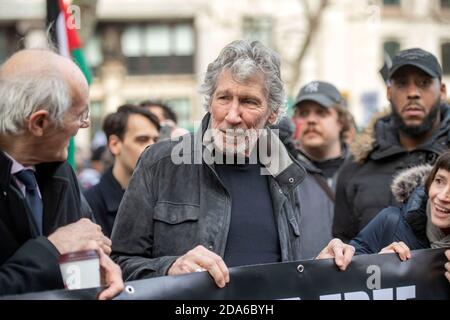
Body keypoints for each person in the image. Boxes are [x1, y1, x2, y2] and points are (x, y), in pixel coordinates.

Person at [111, 40, 307, 288]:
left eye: (249, 102)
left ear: (272, 113)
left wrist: (325, 268)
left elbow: (291, 268)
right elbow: (117, 265)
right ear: (209, 101)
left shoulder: (284, 172)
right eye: (224, 98)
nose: (232, 116)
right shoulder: (160, 163)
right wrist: (170, 268)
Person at [0, 49, 123, 298]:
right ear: (39, 123)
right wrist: (52, 249)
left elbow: (79, 272)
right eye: (80, 115)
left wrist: (98, 270)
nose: (85, 124)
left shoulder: (60, 172)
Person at [333, 48, 450, 242]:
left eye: (424, 82)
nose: (413, 93)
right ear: (389, 92)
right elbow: (344, 250)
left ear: (442, 91)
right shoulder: (356, 166)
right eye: (402, 83)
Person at [318, 151, 450, 282]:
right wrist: (376, 265)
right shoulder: (391, 222)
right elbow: (339, 283)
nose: (442, 196)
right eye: (439, 181)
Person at [84, 104, 160, 237]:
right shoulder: (89, 205)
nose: (152, 147)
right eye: (142, 140)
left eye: (156, 140)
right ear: (115, 144)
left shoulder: (164, 198)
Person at [292, 81, 353, 191]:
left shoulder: (361, 169)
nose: (311, 120)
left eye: (321, 112)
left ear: (341, 121)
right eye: (303, 113)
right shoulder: (285, 175)